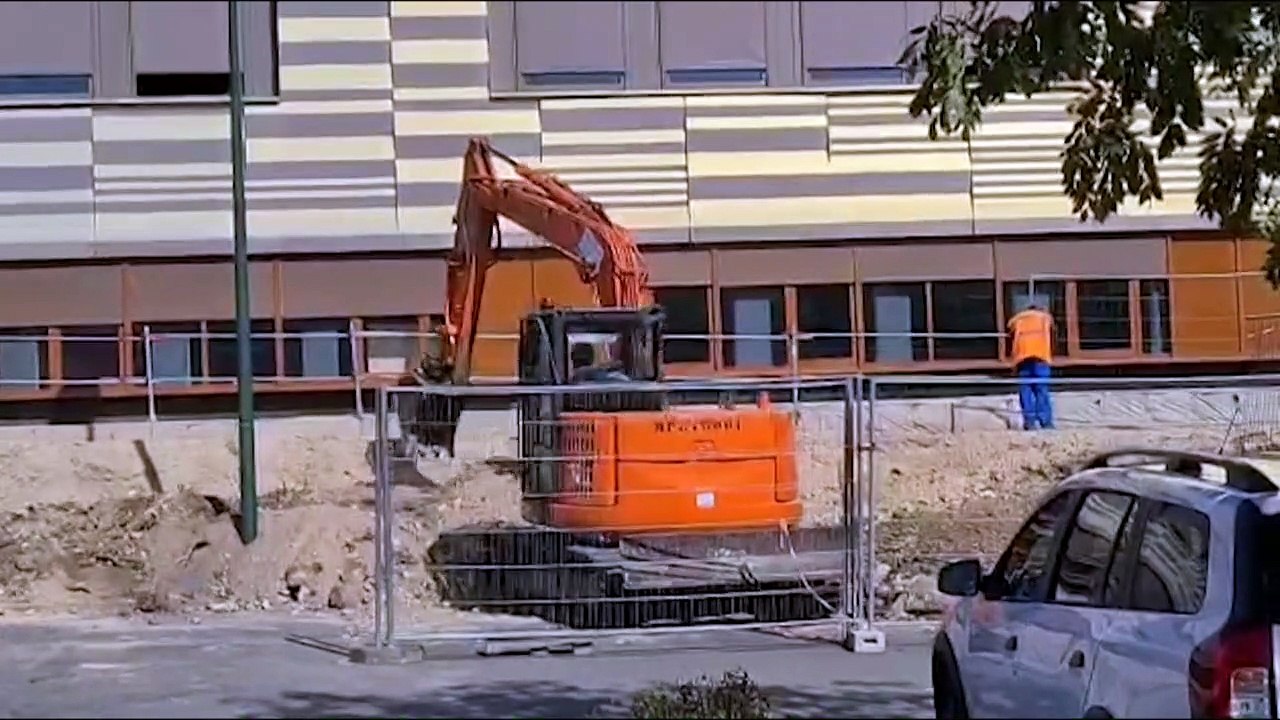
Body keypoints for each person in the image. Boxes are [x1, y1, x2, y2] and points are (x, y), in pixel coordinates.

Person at [1008, 301, 1055, 430]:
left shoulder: (1019, 319)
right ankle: (1046, 422)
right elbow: (1052, 328)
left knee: (1026, 391)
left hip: (1023, 359)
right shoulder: (1044, 318)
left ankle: (1029, 422)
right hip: (1041, 358)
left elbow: (1010, 329)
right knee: (1041, 390)